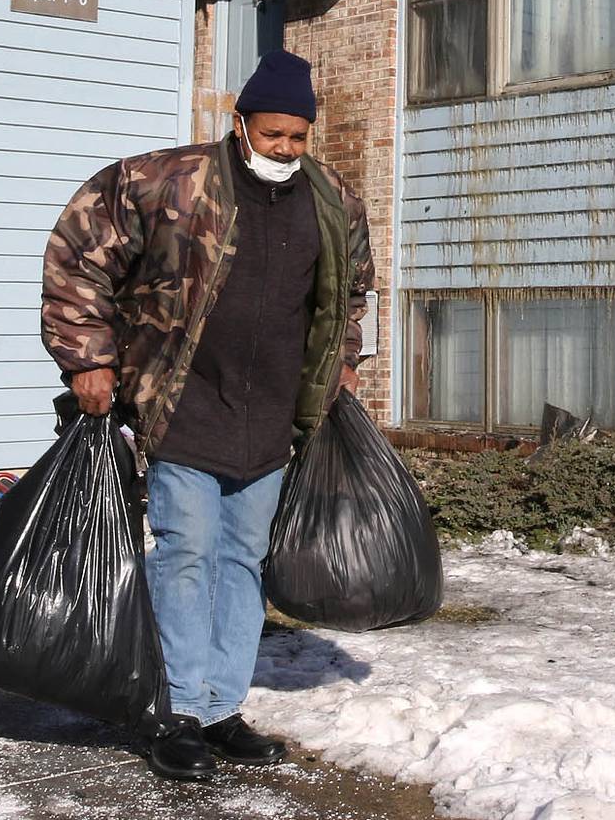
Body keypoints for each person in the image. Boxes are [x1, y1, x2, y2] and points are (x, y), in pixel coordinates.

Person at [40, 49, 375, 782]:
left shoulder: (332, 199)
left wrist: (342, 359)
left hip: (270, 415)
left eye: (297, 136)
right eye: (272, 133)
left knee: (241, 561)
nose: (284, 148)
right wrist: (88, 355)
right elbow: (78, 251)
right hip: (184, 399)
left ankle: (222, 707)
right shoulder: (172, 181)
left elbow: (350, 289)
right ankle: (177, 710)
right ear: (241, 121)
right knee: (186, 553)